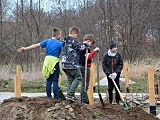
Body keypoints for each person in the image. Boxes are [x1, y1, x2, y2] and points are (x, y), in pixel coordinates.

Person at [17, 28, 62, 99]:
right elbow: (60, 53)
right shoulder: (59, 43)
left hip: (47, 62)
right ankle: (56, 97)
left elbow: (35, 45)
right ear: (57, 35)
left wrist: (25, 49)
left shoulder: (47, 41)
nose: (60, 37)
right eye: (60, 35)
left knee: (48, 80)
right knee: (55, 80)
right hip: (54, 62)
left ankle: (48, 97)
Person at [61, 26, 92, 101]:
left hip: (64, 64)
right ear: (74, 33)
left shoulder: (64, 40)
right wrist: (86, 45)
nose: (77, 37)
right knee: (79, 77)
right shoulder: (73, 40)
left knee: (70, 79)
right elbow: (79, 47)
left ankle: (70, 96)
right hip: (71, 64)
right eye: (77, 35)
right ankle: (70, 94)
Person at [78, 34, 100, 103]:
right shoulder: (85, 48)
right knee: (85, 84)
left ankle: (83, 98)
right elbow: (89, 57)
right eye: (91, 43)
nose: (90, 45)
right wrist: (94, 51)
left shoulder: (79, 46)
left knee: (83, 84)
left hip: (79, 66)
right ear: (88, 41)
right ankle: (83, 99)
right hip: (84, 67)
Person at [102, 40, 123, 104]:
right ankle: (110, 101)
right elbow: (104, 65)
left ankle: (117, 100)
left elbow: (120, 64)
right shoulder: (106, 55)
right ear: (111, 48)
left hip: (116, 74)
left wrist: (116, 72)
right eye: (115, 47)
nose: (116, 48)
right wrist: (108, 73)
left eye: (116, 47)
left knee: (117, 87)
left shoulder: (118, 55)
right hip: (109, 75)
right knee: (110, 88)